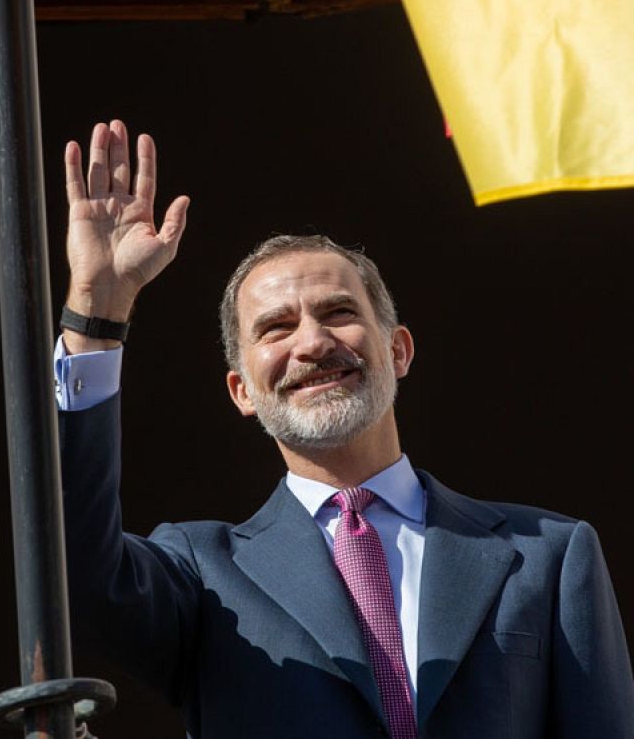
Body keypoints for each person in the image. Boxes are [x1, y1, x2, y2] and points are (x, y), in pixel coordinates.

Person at [55, 121, 634, 738]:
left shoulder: (547, 553)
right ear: (242, 391)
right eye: (275, 328)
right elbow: (72, 567)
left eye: (338, 313)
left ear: (399, 350)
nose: (312, 341)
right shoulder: (203, 575)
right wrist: (98, 307)